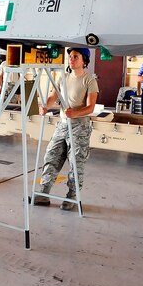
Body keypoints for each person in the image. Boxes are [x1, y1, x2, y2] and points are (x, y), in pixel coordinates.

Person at [33, 47, 99, 211]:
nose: (71, 59)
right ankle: (44, 193)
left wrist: (75, 112)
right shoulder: (63, 78)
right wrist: (46, 106)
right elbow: (53, 97)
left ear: (84, 60)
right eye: (70, 56)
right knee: (51, 156)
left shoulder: (89, 80)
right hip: (62, 125)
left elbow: (90, 107)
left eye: (75, 56)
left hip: (80, 127)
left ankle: (72, 196)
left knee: (76, 162)